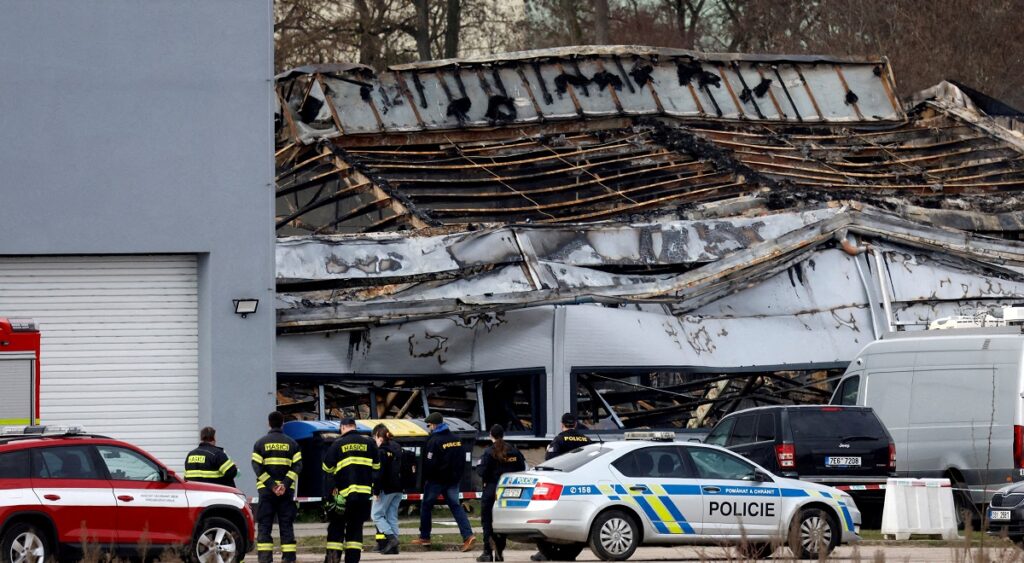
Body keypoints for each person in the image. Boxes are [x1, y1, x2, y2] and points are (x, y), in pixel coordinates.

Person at [531, 412, 593, 561]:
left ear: (562, 424)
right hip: (582, 486)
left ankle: (547, 552)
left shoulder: (558, 440)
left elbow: (550, 462)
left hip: (562, 486)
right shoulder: (587, 440)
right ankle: (568, 551)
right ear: (576, 424)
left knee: (553, 519)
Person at [411, 412, 476, 551]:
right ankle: (468, 536)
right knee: (456, 507)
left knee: (426, 506)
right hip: (453, 481)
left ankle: (425, 537)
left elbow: (429, 463)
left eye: (429, 425)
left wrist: (425, 480)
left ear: (434, 425)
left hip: (436, 481)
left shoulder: (434, 440)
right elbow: (462, 461)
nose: (429, 428)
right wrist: (456, 477)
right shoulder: (457, 439)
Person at [322, 417, 379, 563]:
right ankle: (352, 560)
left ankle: (332, 560)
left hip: (342, 496)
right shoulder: (370, 443)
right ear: (355, 426)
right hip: (363, 497)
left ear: (342, 428)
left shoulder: (337, 444)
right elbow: (377, 469)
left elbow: (327, 468)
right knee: (355, 530)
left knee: (336, 528)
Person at [252, 411, 302, 563]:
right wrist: (284, 485)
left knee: (264, 526)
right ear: (282, 424)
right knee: (286, 525)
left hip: (266, 492)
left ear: (269, 423)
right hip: (286, 493)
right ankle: (289, 559)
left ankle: (265, 559)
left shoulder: (260, 443)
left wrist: (272, 486)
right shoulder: (292, 443)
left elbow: (257, 467)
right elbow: (298, 466)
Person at [476, 424, 525, 562]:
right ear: (503, 435)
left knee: (487, 521)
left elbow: (481, 471)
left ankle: (487, 552)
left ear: (490, 435)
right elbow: (521, 468)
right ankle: (499, 551)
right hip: (508, 491)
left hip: (492, 490)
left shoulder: (488, 452)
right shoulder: (514, 451)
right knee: (501, 522)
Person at [370, 423, 403, 555]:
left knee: (376, 515)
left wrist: (376, 491)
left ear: (379, 436)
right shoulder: (396, 447)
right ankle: (394, 547)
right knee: (391, 516)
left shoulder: (381, 451)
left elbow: (379, 474)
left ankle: (391, 539)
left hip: (386, 488)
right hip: (399, 487)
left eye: (374, 437)